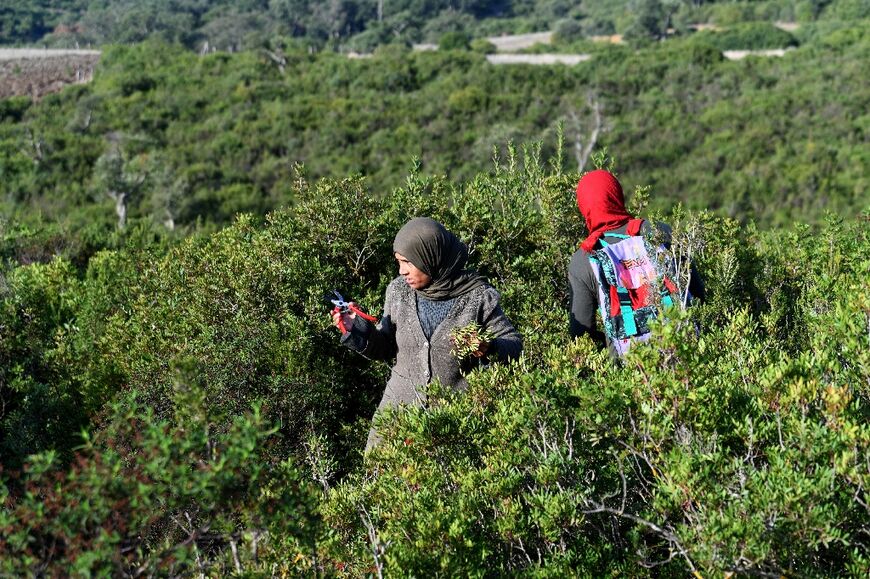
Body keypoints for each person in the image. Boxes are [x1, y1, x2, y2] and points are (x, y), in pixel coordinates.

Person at [333, 217, 523, 450]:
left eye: (408, 263)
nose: (402, 271)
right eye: (398, 262)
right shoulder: (398, 292)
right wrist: (359, 330)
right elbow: (386, 347)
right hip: (395, 423)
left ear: (430, 257)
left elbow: (514, 345)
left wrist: (489, 347)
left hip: (454, 428)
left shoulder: (477, 297)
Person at [568, 169, 704, 356]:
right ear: (617, 194)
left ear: (584, 206)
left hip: (630, 369)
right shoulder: (659, 231)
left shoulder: (583, 260)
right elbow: (697, 292)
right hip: (687, 348)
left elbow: (580, 335)